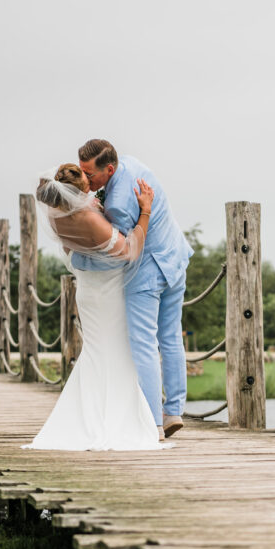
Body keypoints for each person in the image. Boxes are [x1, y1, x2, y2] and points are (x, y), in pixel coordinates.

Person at [24, 165, 164, 451]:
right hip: (109, 292)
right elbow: (129, 250)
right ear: (82, 190)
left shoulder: (57, 217)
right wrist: (145, 212)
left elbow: (70, 250)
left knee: (97, 352)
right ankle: (116, 420)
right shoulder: (89, 218)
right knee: (117, 351)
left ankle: (89, 415)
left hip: (87, 290)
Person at [76, 139, 193, 440]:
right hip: (175, 259)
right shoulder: (132, 162)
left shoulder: (116, 204)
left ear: (109, 168)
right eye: (82, 172)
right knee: (170, 337)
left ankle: (152, 422)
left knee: (143, 343)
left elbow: (128, 250)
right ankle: (174, 411)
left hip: (147, 272)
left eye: (89, 174)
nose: (86, 179)